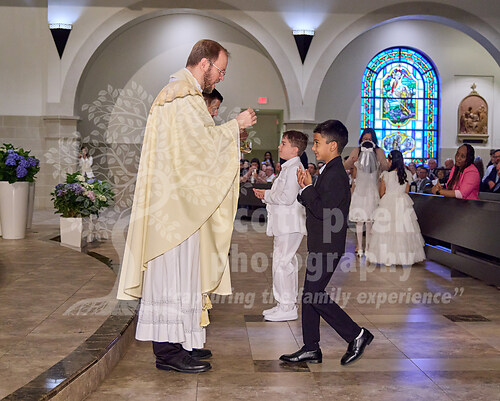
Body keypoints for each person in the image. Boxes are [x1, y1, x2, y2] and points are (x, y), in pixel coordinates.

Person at [117, 39, 257, 374]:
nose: (221, 77)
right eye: (220, 70)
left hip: (182, 204)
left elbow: (195, 148)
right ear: (205, 63)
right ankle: (167, 352)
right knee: (171, 278)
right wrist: (235, 126)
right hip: (173, 209)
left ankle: (181, 342)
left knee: (183, 277)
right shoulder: (180, 96)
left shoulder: (185, 95)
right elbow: (199, 148)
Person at [280, 120, 373, 367]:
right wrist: (307, 188)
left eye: (317, 142)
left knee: (314, 295)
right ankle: (311, 348)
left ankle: (356, 335)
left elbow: (324, 211)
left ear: (333, 146)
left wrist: (308, 188)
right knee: (309, 295)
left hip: (328, 244)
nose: (314, 147)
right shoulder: (329, 170)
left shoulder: (335, 175)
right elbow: (318, 202)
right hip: (321, 242)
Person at [253, 131, 308, 321]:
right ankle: (283, 304)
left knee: (283, 263)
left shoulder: (294, 169)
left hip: (289, 224)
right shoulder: (288, 167)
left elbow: (287, 197)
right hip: (284, 223)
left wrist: (266, 195)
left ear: (294, 149)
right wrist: (266, 195)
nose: (279, 146)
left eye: (283, 143)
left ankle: (287, 306)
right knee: (282, 262)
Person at [366, 150, 425, 266]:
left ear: (391, 161)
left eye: (388, 160)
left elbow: (381, 192)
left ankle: (387, 257)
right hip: (402, 202)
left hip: (388, 202)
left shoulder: (386, 175)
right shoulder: (407, 174)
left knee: (387, 230)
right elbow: (407, 191)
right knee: (404, 229)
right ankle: (405, 257)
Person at [348, 140, 380, 257]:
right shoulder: (376, 165)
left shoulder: (357, 164)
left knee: (359, 223)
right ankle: (368, 248)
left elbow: (355, 179)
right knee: (369, 223)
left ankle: (360, 248)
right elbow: (377, 180)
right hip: (371, 194)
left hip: (360, 193)